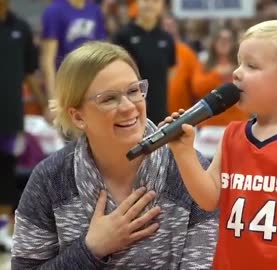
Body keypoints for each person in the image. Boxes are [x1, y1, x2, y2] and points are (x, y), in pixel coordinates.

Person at [11, 41, 218, 268]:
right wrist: (91, 249)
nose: (129, 107)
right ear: (78, 117)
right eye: (109, 99)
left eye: (133, 91)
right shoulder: (50, 179)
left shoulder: (191, 170)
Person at [167, 20, 277, 270]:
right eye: (239, 63)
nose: (237, 73)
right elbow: (209, 199)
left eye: (251, 66)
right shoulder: (231, 135)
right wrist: (183, 152)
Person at [0, 0, 43, 252]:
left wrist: (43, 104)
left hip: (10, 117)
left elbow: (29, 72)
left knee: (6, 173)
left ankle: (3, 230)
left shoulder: (22, 28)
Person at [113, 0, 176, 124]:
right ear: (137, 3)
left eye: (155, 1)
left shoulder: (166, 39)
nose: (150, 4)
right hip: (130, 109)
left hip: (159, 110)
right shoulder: (123, 36)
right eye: (146, 0)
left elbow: (171, 71)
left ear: (162, 6)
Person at [41, 0, 107, 100]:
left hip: (92, 80)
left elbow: (103, 51)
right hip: (67, 82)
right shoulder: (54, 11)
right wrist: (52, 98)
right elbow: (48, 59)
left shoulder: (94, 9)